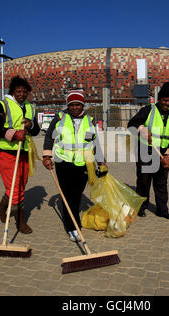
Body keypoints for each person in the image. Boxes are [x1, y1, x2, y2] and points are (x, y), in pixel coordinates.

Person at [42, 89, 106, 242]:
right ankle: (72, 227)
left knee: (76, 196)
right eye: (72, 104)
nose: (75, 107)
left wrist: (101, 160)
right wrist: (46, 156)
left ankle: (73, 222)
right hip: (63, 163)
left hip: (82, 164)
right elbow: (49, 138)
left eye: (78, 104)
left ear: (82, 105)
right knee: (67, 195)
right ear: (68, 105)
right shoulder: (59, 118)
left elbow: (94, 142)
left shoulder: (88, 120)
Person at [0, 76, 40, 234]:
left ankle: (0, 207)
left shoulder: (30, 108)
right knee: (15, 188)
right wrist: (13, 134)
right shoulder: (3, 105)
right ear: (13, 91)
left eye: (25, 92)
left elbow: (37, 130)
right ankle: (20, 222)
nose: (22, 94)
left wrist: (30, 125)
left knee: (20, 184)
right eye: (19, 91)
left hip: (24, 152)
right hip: (6, 151)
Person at [127, 82, 169, 220]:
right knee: (144, 181)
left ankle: (162, 210)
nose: (167, 103)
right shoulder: (148, 110)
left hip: (162, 154)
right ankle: (141, 207)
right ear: (159, 99)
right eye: (164, 100)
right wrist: (143, 130)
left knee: (161, 183)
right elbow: (131, 124)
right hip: (145, 151)